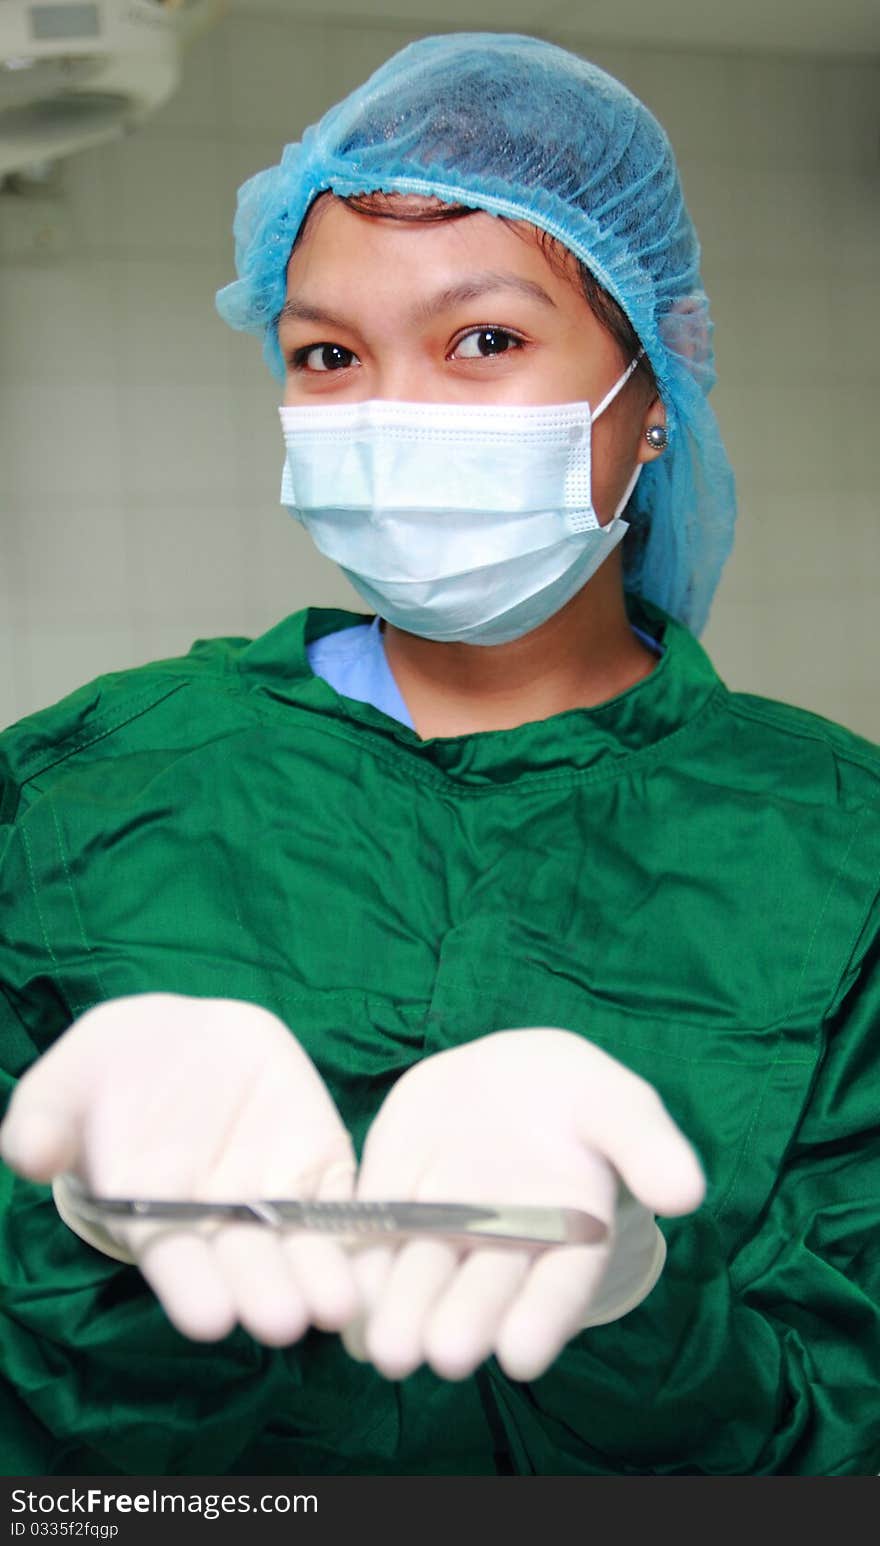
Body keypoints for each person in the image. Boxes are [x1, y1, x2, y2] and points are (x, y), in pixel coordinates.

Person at [0, 32, 878, 1478]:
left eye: (484, 340)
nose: (396, 415)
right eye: (329, 355)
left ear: (653, 388)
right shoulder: (76, 788)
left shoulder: (841, 851)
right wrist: (83, 1229)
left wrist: (638, 1300)